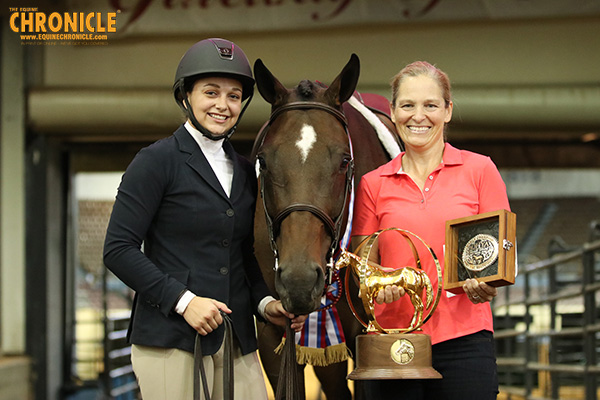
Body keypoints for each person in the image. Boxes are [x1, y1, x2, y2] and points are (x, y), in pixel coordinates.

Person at [103, 38, 305, 400]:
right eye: (211, 93)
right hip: (172, 338)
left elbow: (242, 256)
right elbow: (118, 249)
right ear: (186, 96)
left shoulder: (245, 170)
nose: (222, 105)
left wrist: (265, 305)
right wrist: (184, 301)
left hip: (236, 339)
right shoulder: (155, 161)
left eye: (233, 96)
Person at [351, 61, 510, 400]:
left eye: (430, 105)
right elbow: (363, 264)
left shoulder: (480, 170)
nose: (418, 116)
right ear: (393, 112)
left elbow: (500, 252)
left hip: (465, 338)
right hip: (393, 341)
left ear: (448, 111)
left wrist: (488, 283)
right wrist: (378, 285)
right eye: (407, 105)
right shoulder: (372, 183)